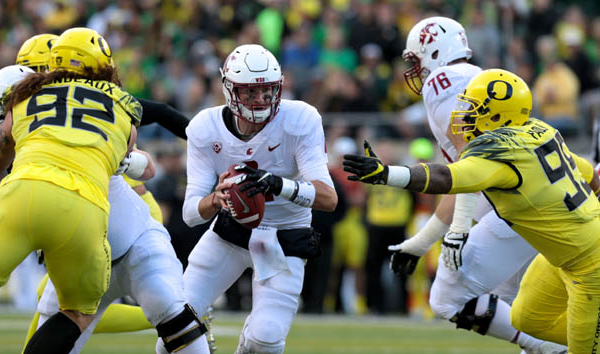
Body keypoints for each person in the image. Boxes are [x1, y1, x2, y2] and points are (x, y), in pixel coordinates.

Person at [344, 68, 600, 354]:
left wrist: (388, 174)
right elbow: (592, 177)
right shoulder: (541, 131)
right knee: (524, 319)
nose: (464, 116)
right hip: (559, 257)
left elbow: (447, 178)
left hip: (590, 266)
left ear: (499, 115)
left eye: (474, 109)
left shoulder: (502, 155)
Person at [10, 31, 212, 354]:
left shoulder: (104, 105)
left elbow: (147, 164)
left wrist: (207, 144)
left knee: (163, 302)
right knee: (48, 328)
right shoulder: (23, 118)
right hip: (82, 251)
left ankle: (180, 314)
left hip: (128, 233)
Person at [380, 17, 565, 354]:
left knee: (445, 299)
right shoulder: (477, 77)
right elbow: (461, 182)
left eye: (416, 59)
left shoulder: (443, 82)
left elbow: (470, 164)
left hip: (517, 208)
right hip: (536, 202)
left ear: (434, 50)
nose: (415, 70)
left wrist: (459, 230)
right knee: (517, 305)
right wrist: (421, 244)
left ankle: (555, 348)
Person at [0, 27, 140, 354]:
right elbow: (132, 159)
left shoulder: (26, 97)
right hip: (83, 208)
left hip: (22, 196)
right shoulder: (124, 107)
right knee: (78, 313)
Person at [180, 44, 337, 354]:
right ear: (229, 89)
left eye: (267, 90)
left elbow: (328, 198)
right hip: (230, 232)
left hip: (285, 236)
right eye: (250, 92)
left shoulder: (300, 118)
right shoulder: (204, 127)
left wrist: (278, 185)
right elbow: (190, 213)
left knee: (265, 340)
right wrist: (216, 199)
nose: (261, 99)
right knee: (175, 323)